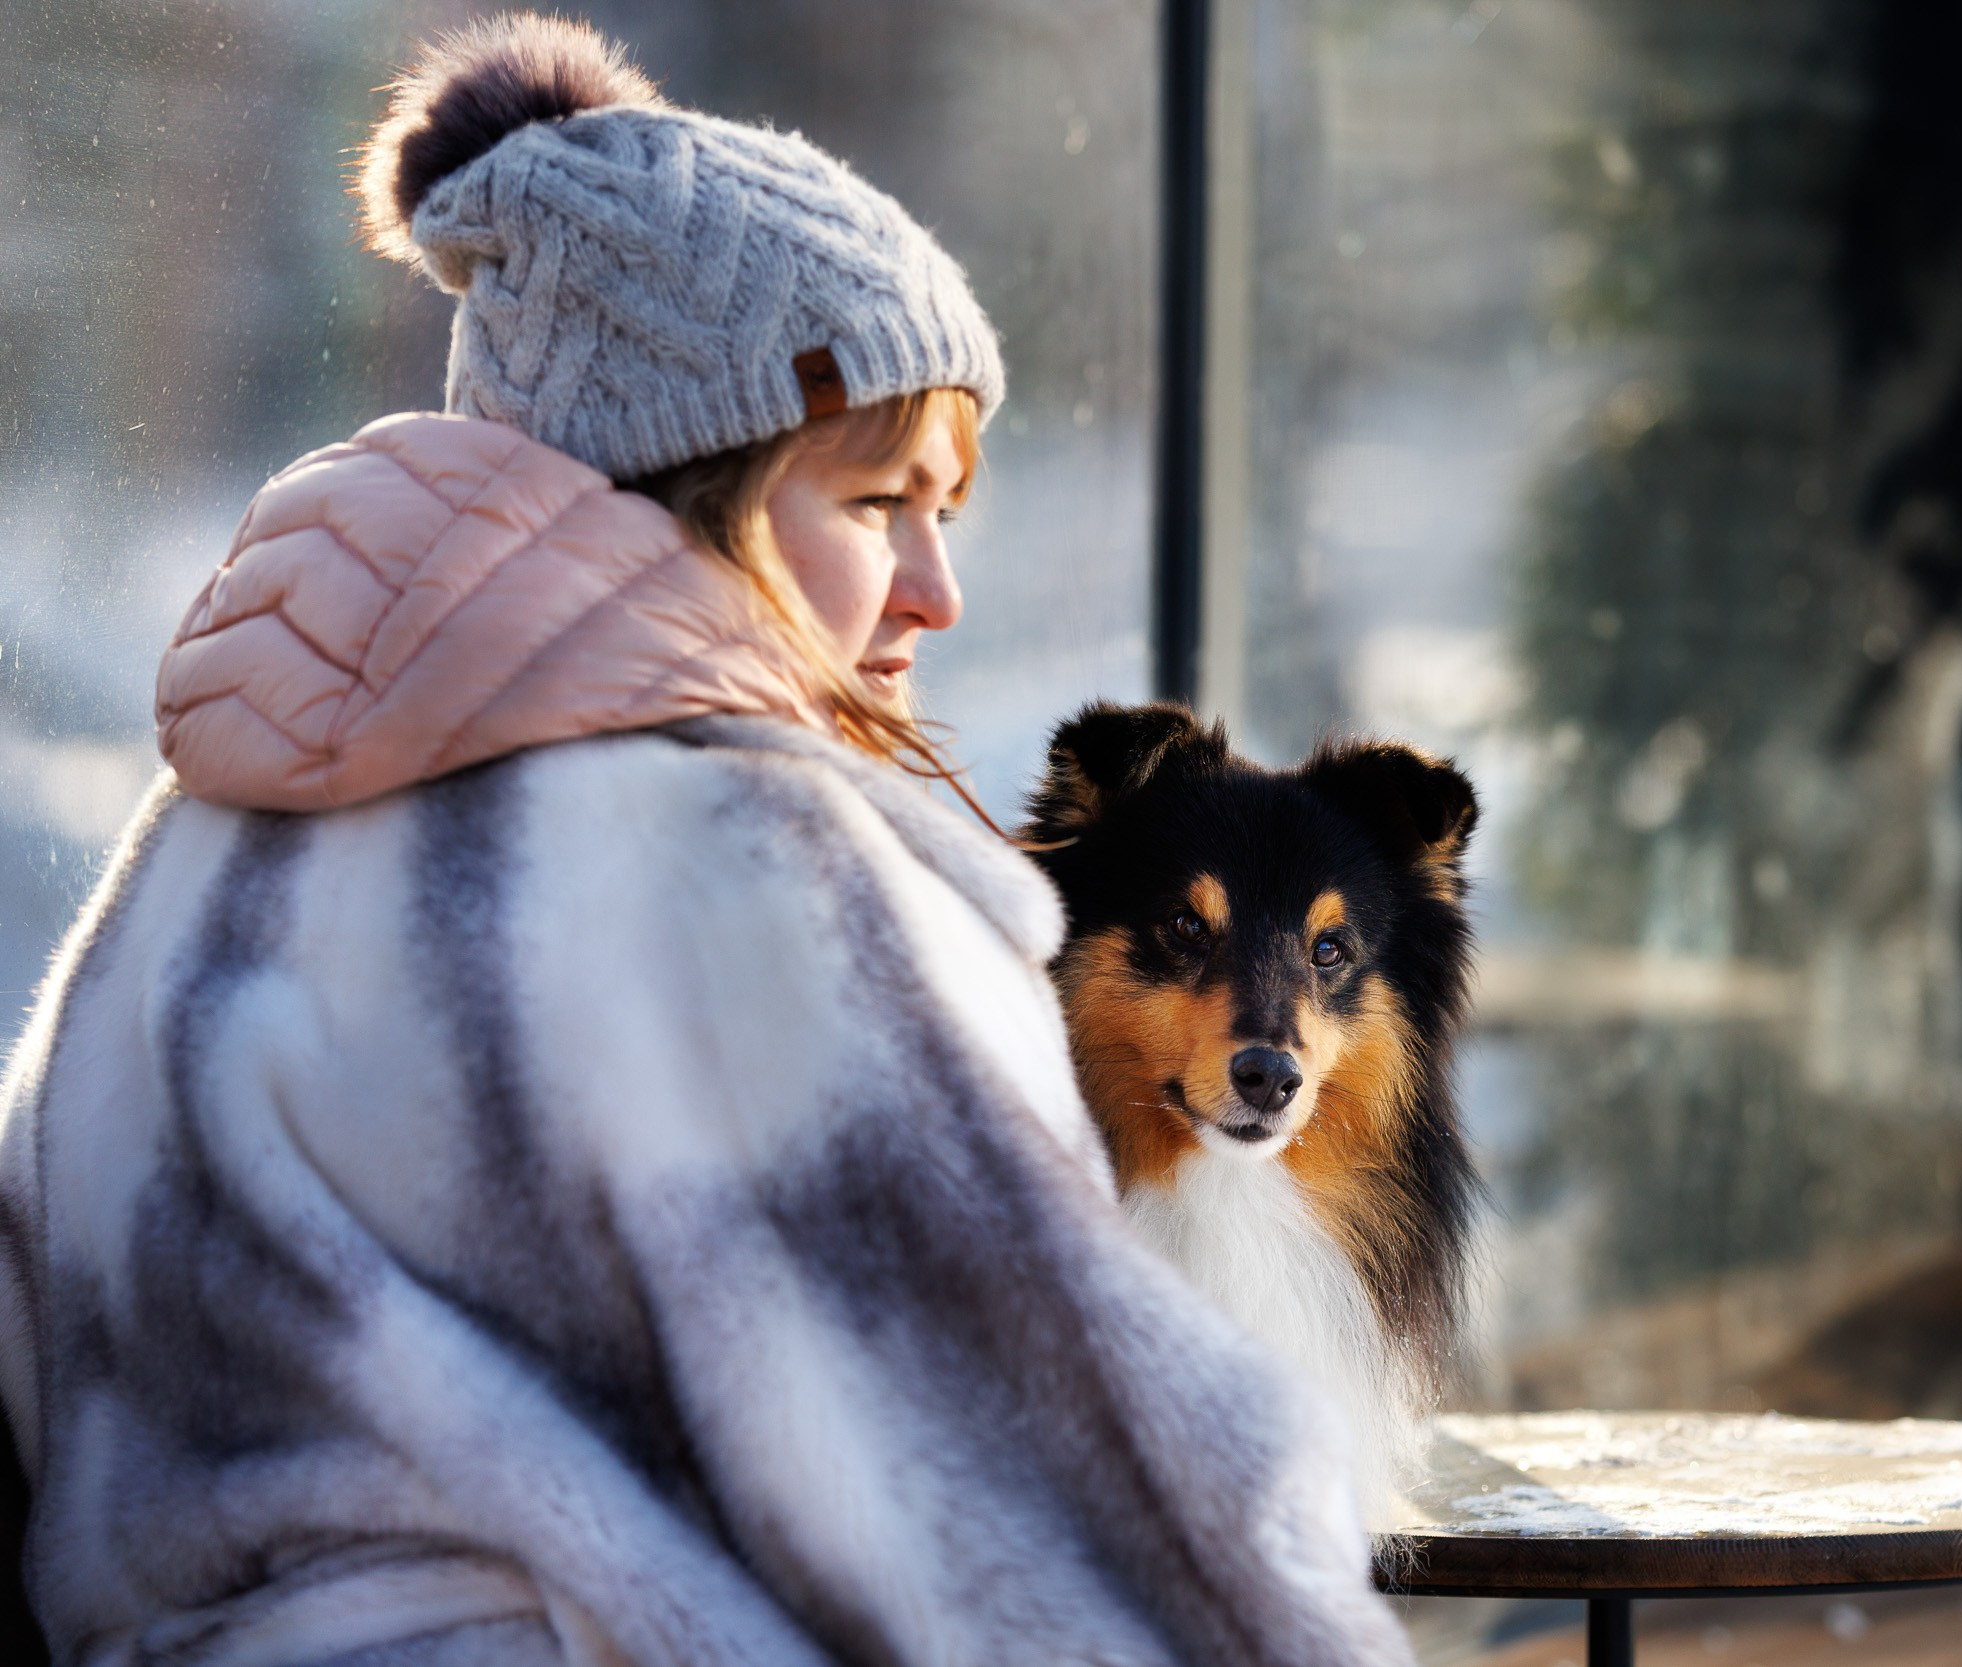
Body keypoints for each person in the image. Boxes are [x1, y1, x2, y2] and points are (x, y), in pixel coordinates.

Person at [0, 16, 1413, 1666]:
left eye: (948, 511)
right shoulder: (747, 870)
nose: (935, 593)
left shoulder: (210, 839)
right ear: (689, 489)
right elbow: (1067, 1521)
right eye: (878, 503)